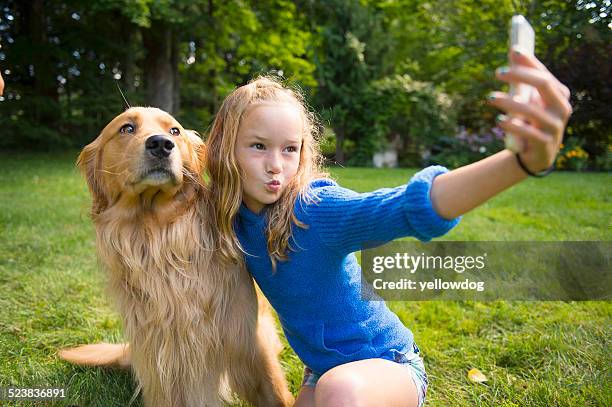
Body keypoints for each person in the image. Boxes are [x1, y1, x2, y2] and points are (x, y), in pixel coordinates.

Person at [204, 48, 571, 407]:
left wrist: (520, 163)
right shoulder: (230, 220)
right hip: (320, 373)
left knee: (340, 392)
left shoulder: (314, 210)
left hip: (388, 365)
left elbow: (406, 206)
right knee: (333, 387)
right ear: (225, 149)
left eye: (289, 149)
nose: (276, 166)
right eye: (258, 146)